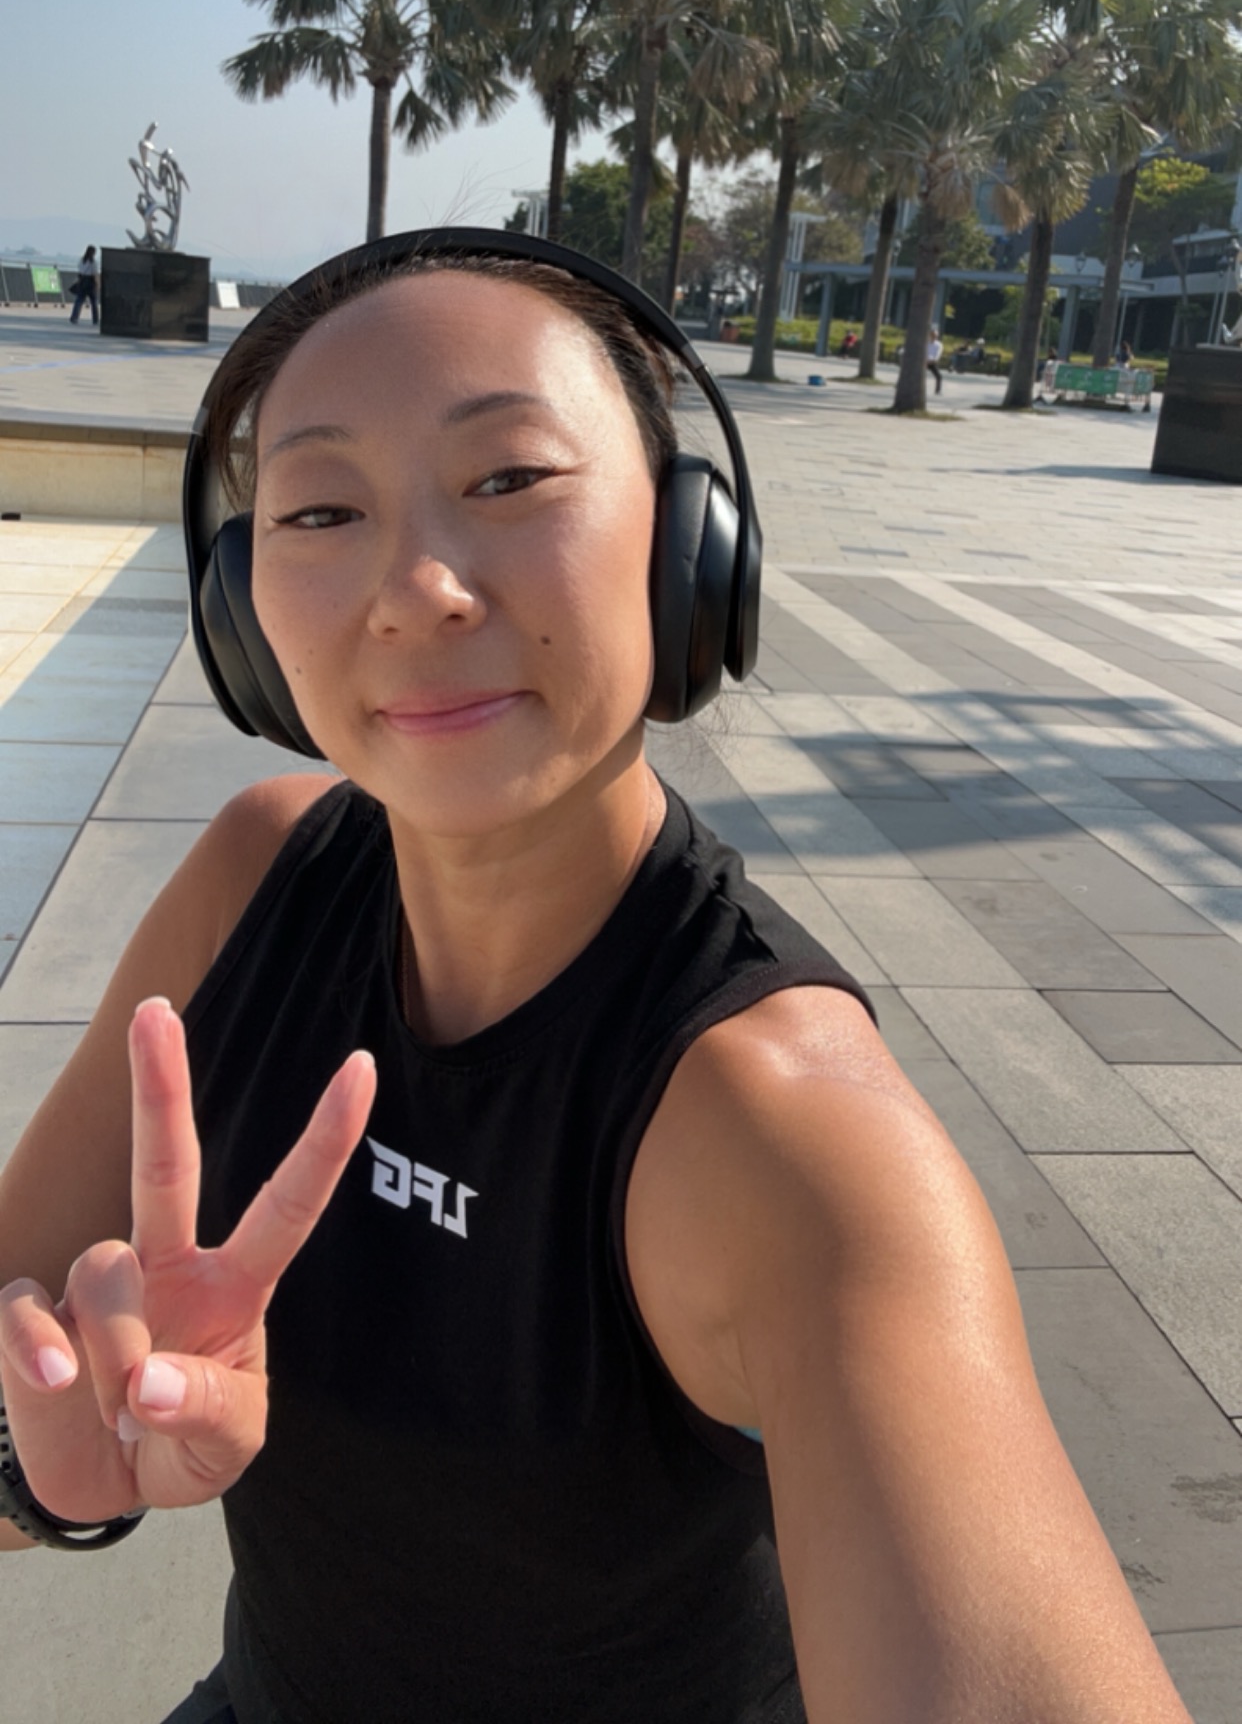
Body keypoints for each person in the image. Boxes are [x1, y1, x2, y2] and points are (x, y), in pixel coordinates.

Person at [0, 232, 1192, 1724]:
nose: (416, 590)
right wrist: (43, 1466)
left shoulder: (786, 1136)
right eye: (321, 510)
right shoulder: (257, 881)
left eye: (509, 479)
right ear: (245, 611)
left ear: (687, 549)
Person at [69, 245, 98, 327]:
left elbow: (79, 269)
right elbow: (94, 273)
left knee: (79, 300)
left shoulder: (82, 260)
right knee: (93, 302)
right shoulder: (93, 262)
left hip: (82, 281)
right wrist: (97, 284)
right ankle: (95, 319)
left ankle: (74, 317)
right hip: (90, 282)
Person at [926, 323, 944, 394]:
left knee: (939, 376)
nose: (934, 337)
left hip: (932, 362)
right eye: (932, 335)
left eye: (935, 336)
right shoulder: (926, 343)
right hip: (924, 361)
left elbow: (938, 354)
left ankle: (937, 391)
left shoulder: (939, 344)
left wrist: (934, 360)